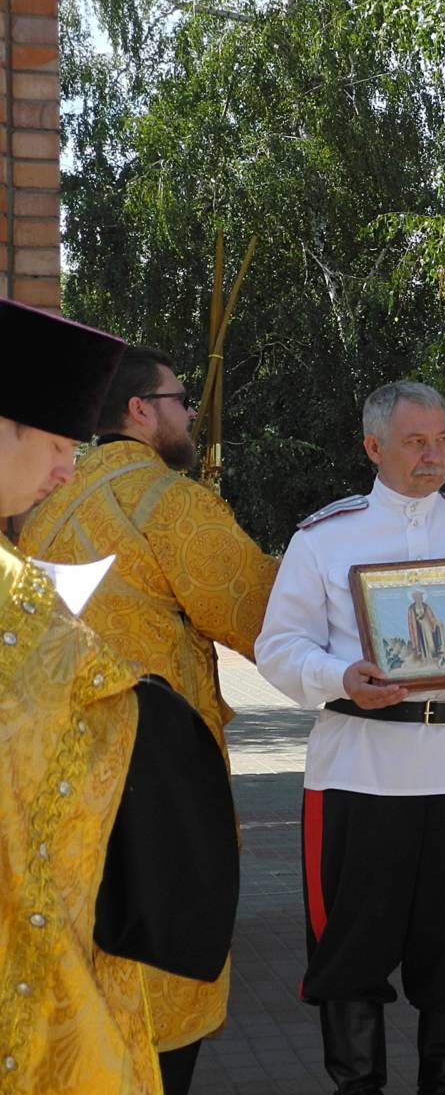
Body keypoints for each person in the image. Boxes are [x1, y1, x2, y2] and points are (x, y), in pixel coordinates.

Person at [255, 379, 445, 1095]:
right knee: (350, 957)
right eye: (416, 442)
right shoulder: (326, 537)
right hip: (361, 771)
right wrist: (339, 675)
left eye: (442, 440)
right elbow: (278, 647)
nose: (432, 456)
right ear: (373, 446)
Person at [19, 344, 279, 1093]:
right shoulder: (166, 501)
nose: (191, 412)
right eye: (178, 399)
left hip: (60, 786)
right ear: (140, 410)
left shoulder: (49, 504)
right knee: (162, 989)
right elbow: (261, 617)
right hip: (155, 783)